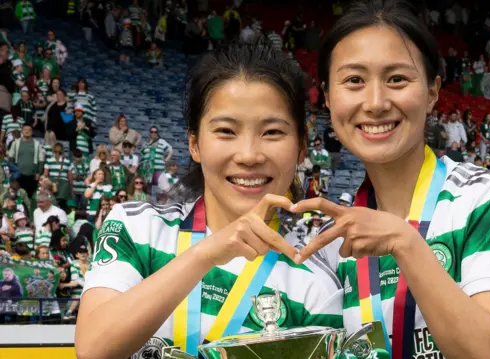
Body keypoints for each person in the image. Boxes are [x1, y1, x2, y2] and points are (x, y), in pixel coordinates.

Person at [295, 1, 490, 358]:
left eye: (397, 79)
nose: (376, 102)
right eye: (354, 81)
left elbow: (489, 354)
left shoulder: (488, 198)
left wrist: (404, 241)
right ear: (329, 98)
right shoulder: (335, 242)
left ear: (432, 92)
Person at [75, 44, 343, 359]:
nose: (249, 155)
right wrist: (204, 255)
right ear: (194, 144)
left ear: (300, 149)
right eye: (226, 131)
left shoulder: (315, 280)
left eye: (272, 132)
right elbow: (93, 348)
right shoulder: (137, 228)